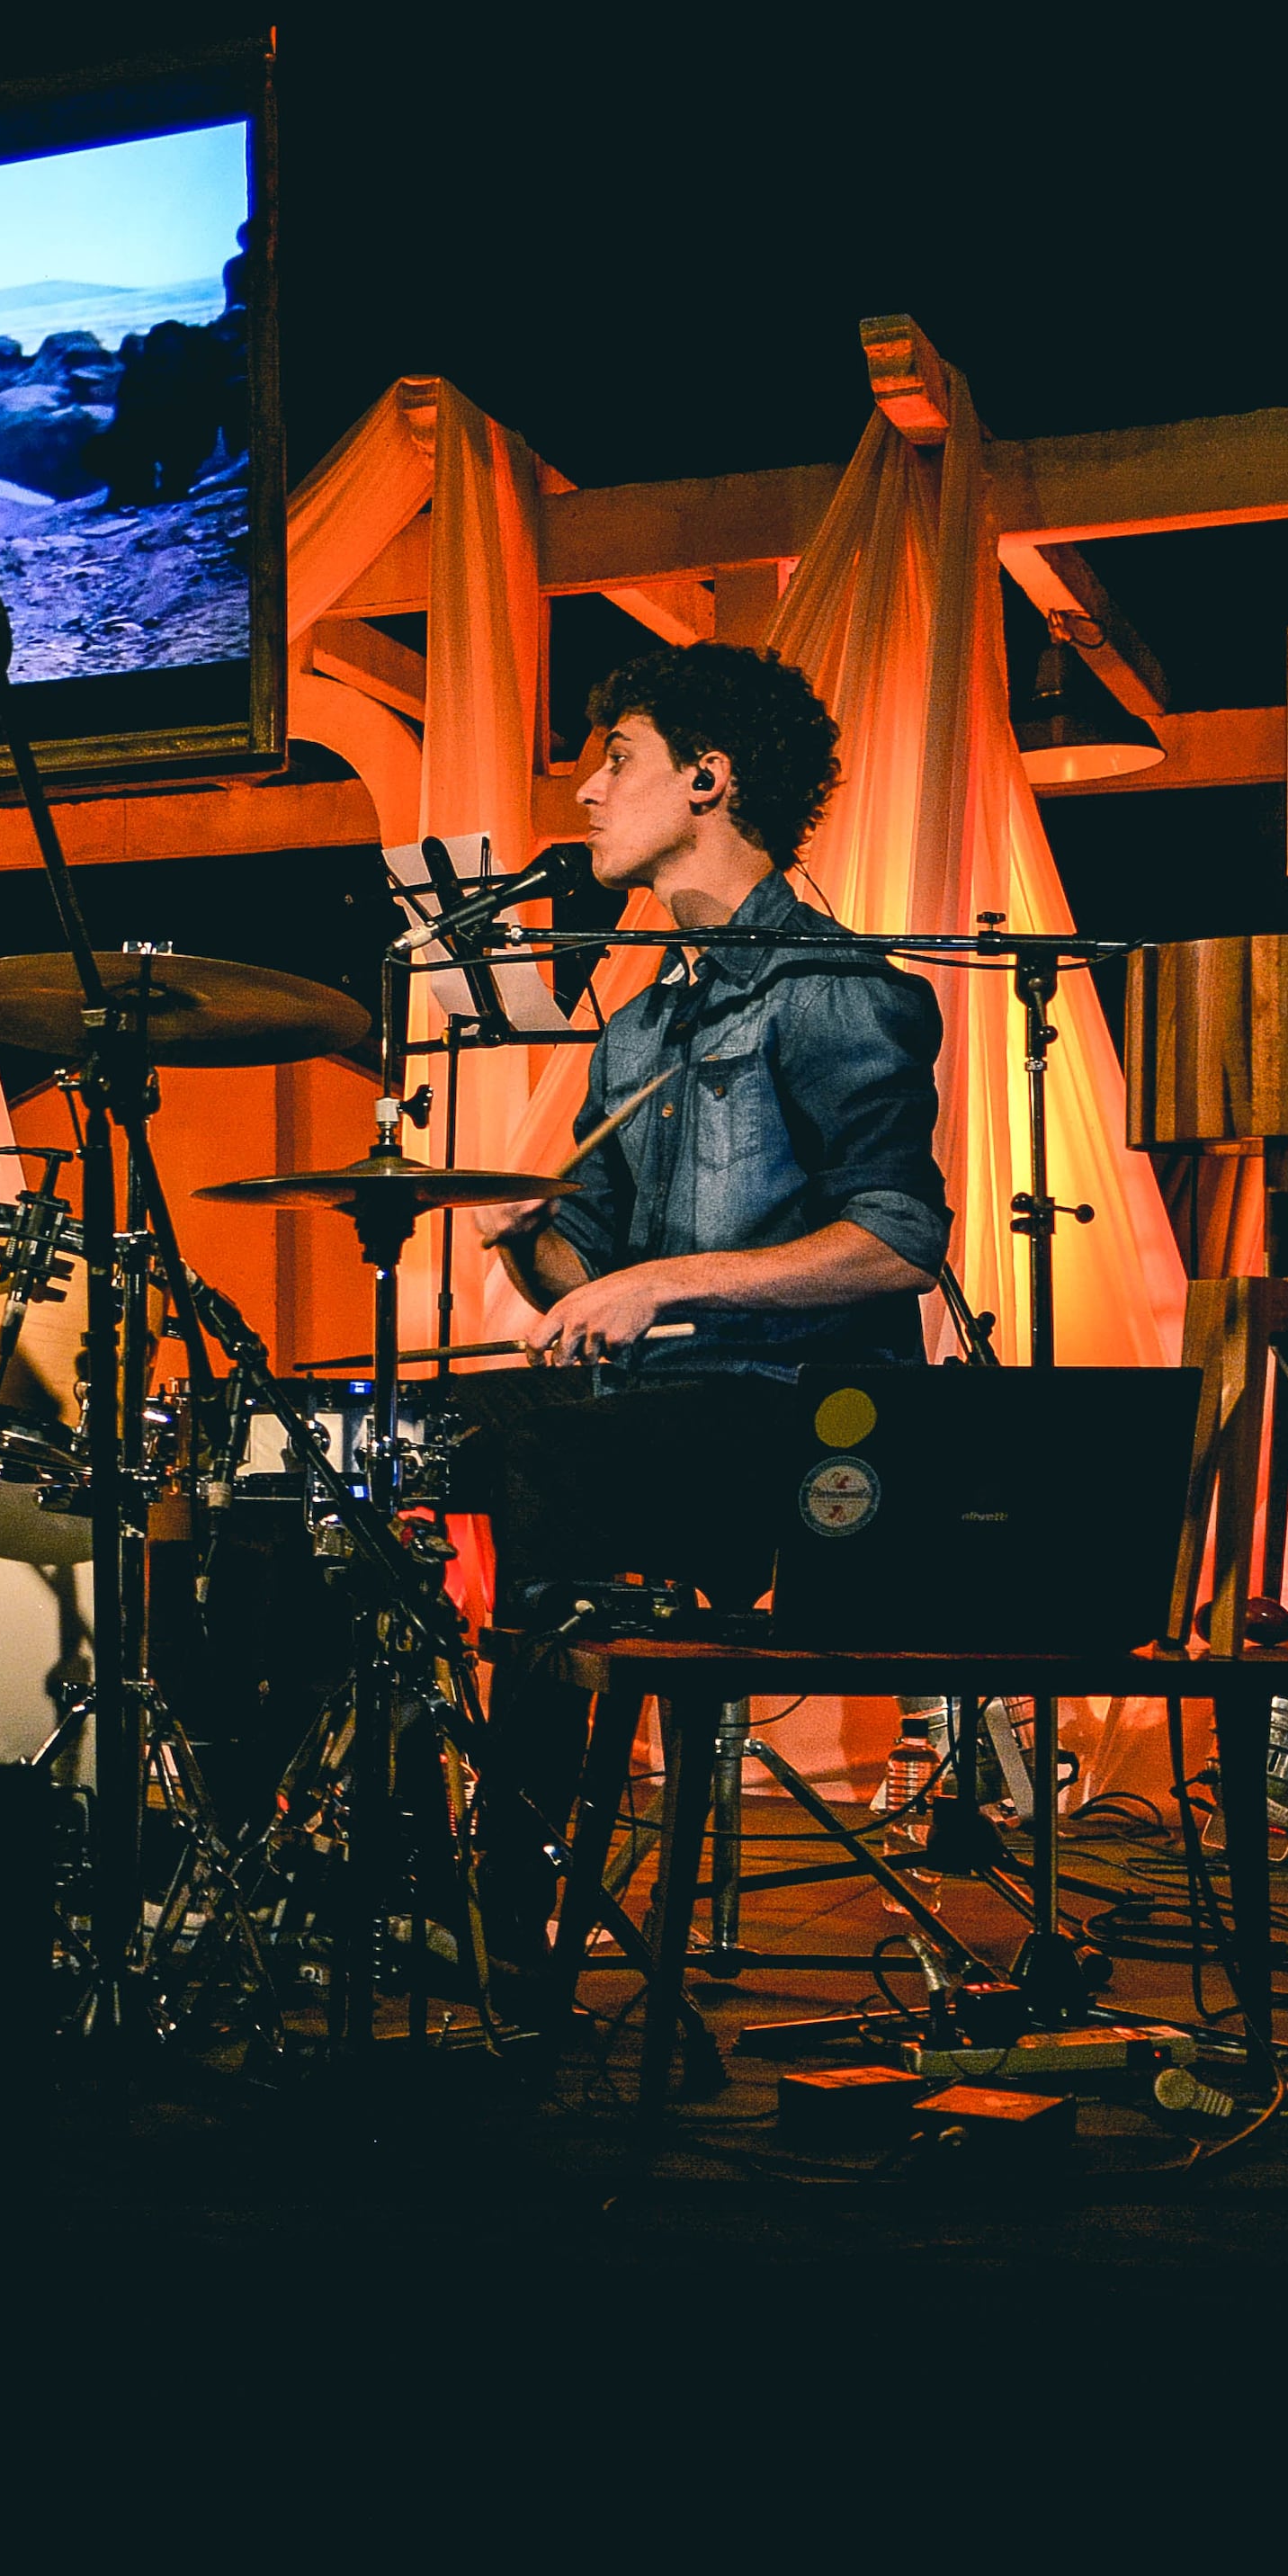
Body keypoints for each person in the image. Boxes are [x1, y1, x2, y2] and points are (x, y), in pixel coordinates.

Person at [456, 642, 951, 1989]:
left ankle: (507, 1915)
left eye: (616, 757)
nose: (585, 791)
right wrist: (530, 1250)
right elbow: (588, 1278)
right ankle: (311, 1860)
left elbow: (901, 1241)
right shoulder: (636, 1027)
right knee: (354, 1442)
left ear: (709, 779)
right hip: (664, 1413)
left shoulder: (839, 986)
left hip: (801, 1427)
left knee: (556, 1465)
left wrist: (664, 1283)